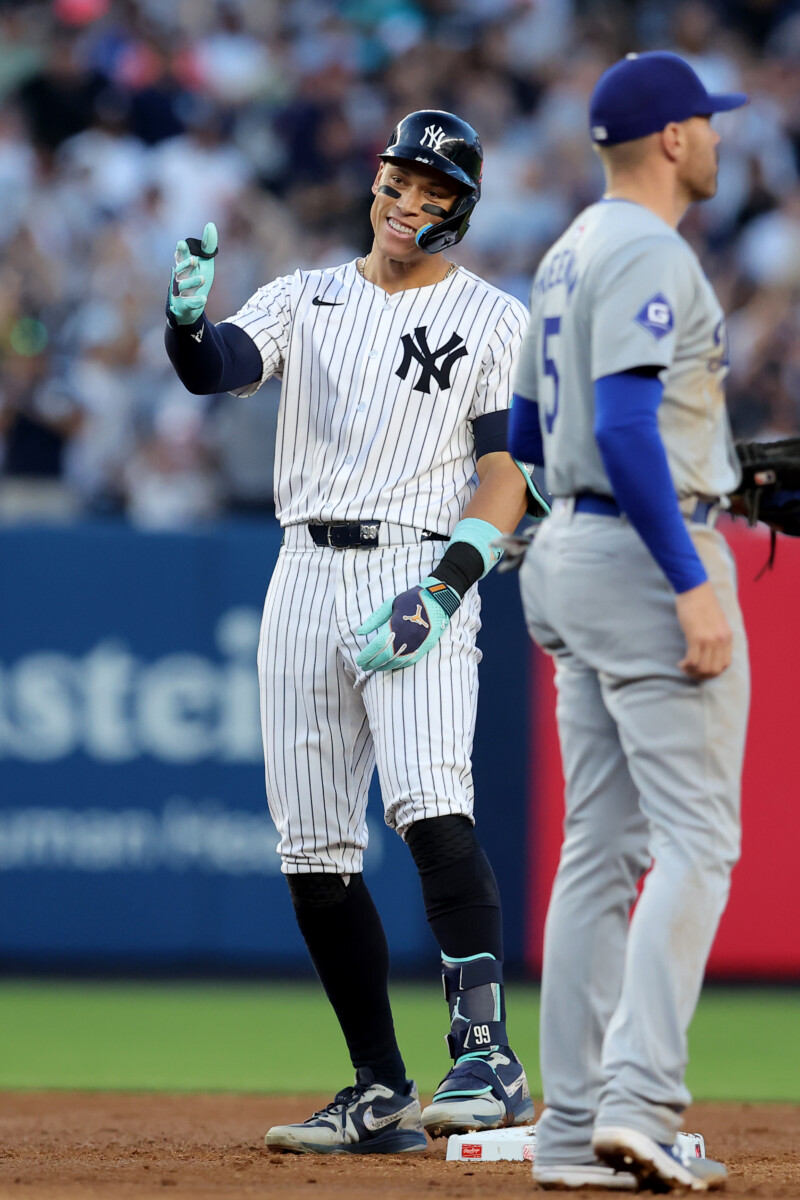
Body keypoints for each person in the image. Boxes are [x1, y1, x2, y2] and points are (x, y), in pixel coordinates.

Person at [164, 109, 543, 1155]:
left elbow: (509, 479)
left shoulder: (490, 317)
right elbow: (219, 368)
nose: (406, 201)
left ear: (458, 213)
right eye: (398, 179)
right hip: (301, 569)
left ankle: (489, 1055)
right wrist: (187, 327)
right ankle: (378, 1088)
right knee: (314, 848)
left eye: (432, 192)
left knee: (429, 799)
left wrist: (448, 587)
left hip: (416, 562)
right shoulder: (305, 293)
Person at [508, 54, 751, 1192]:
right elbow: (623, 422)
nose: (716, 137)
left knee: (599, 852)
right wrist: (686, 572)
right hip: (644, 555)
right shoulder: (653, 249)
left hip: (564, 551)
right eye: (707, 121)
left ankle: (568, 1140)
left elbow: (519, 427)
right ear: (668, 139)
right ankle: (641, 1101)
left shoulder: (565, 251)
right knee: (698, 840)